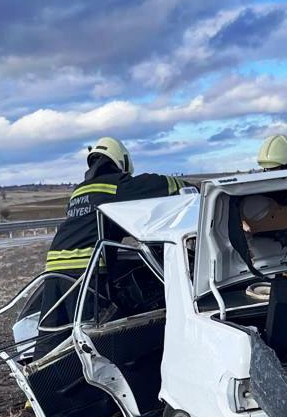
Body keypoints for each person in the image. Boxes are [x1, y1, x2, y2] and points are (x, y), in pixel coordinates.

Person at [35, 137, 190, 357]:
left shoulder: (79, 191)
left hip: (54, 268)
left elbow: (100, 223)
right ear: (122, 161)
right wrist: (188, 187)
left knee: (52, 334)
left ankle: (44, 379)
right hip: (86, 268)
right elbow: (158, 184)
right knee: (96, 334)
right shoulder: (116, 185)